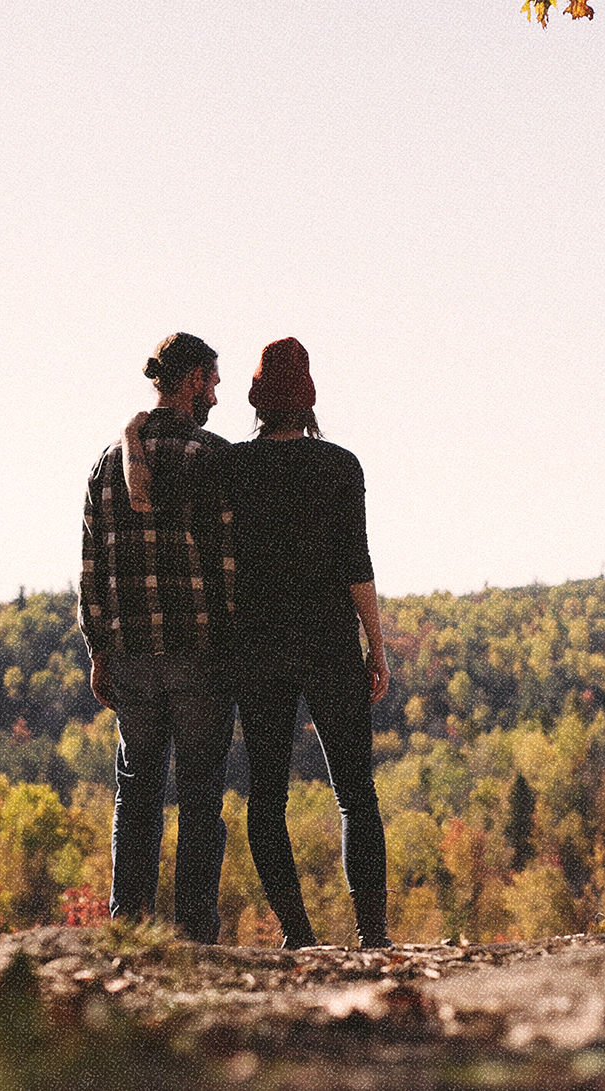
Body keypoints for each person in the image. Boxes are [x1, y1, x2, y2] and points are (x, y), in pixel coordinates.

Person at [223, 336, 391, 948]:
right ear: (310, 399)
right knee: (355, 793)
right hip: (329, 644)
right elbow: (357, 564)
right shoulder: (340, 467)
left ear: (257, 401)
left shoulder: (233, 468)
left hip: (258, 649)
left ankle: (300, 935)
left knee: (266, 795)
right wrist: (378, 645)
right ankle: (373, 936)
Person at [77, 332, 235, 944]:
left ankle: (129, 928)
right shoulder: (214, 457)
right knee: (200, 795)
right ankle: (195, 932)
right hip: (201, 655)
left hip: (134, 656)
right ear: (193, 379)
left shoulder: (106, 465)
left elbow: (91, 567)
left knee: (136, 792)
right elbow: (230, 565)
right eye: (214, 382)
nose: (218, 394)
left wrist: (99, 650)